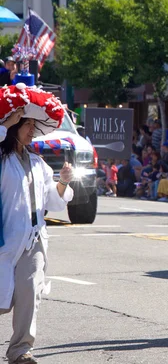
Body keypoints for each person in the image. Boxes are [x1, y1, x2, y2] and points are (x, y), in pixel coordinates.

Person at [0, 107, 74, 364]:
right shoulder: (1, 157)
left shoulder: (36, 162)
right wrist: (6, 121)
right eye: (26, 124)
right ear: (12, 127)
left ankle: (21, 351)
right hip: (5, 242)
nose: (33, 130)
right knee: (2, 298)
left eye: (33, 124)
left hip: (33, 239)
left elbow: (51, 200)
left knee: (29, 291)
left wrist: (63, 182)